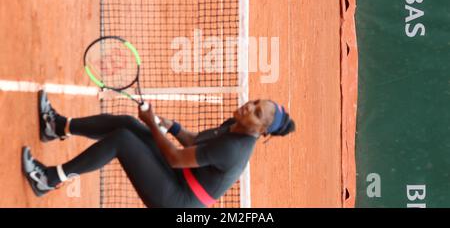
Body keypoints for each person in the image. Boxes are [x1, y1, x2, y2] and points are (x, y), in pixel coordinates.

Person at [22, 90, 296, 208]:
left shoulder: (235, 150)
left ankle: (48, 179)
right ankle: (57, 127)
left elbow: (176, 158)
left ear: (260, 131)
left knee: (123, 140)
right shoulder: (236, 122)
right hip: (179, 176)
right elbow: (195, 141)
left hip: (177, 200)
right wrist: (165, 123)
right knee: (128, 124)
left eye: (257, 112)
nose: (249, 106)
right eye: (256, 102)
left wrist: (152, 124)